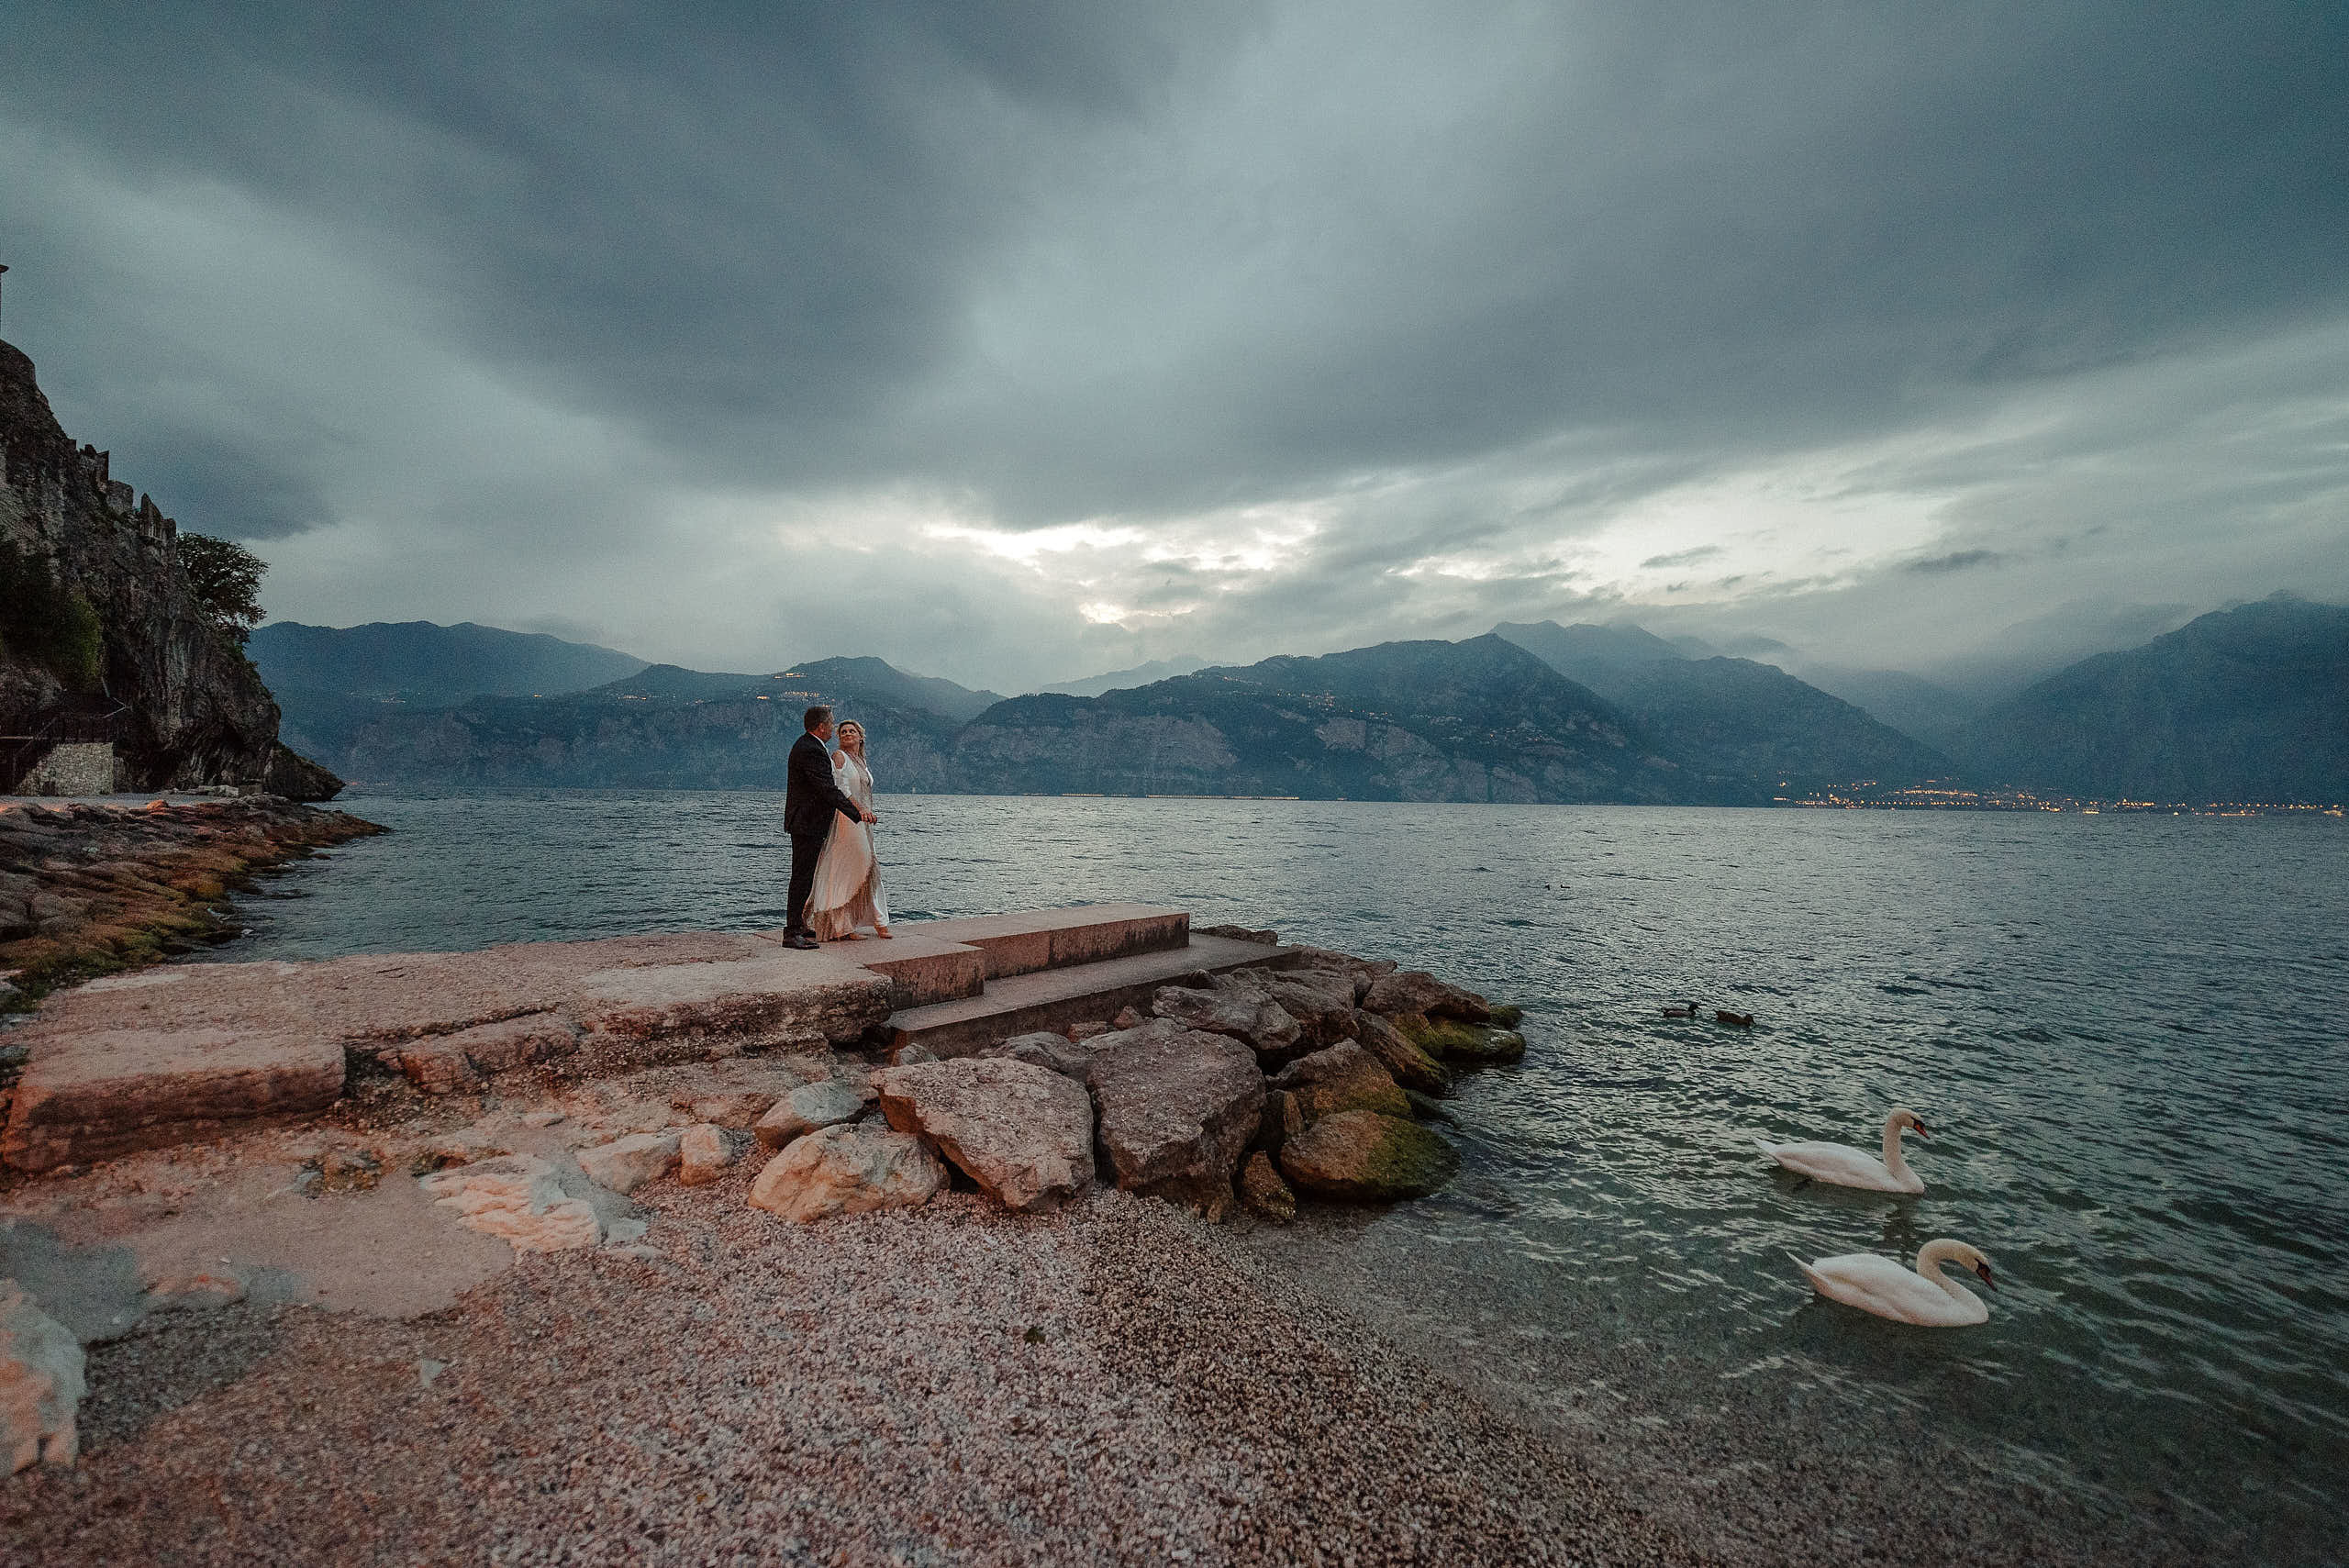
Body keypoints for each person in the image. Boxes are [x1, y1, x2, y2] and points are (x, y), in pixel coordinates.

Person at [782, 705, 874, 950]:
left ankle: (799, 925)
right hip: (806, 823)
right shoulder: (810, 749)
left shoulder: (810, 746)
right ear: (821, 726)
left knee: (806, 876)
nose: (834, 729)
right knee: (801, 877)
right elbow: (827, 789)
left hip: (807, 822)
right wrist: (857, 813)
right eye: (832, 724)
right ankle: (791, 933)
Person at [806, 718, 892, 940]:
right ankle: (845, 926)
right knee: (854, 868)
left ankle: (879, 922)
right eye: (843, 731)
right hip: (848, 820)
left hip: (864, 821)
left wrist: (866, 813)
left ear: (861, 736)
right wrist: (861, 810)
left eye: (852, 730)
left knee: (865, 867)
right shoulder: (839, 757)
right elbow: (840, 789)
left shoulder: (861, 760)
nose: (847, 734)